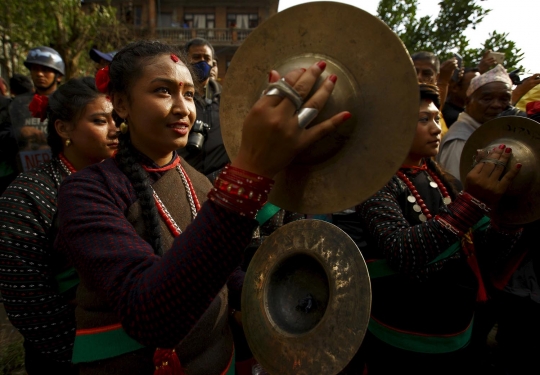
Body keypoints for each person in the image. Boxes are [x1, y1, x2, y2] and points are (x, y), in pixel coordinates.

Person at [54, 41, 348, 374]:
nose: (183, 108)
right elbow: (149, 315)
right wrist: (250, 173)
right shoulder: (86, 191)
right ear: (121, 104)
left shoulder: (200, 181)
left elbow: (221, 277)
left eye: (190, 94)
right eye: (163, 91)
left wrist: (283, 296)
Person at [351, 83, 523, 375]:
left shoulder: (446, 181)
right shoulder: (375, 185)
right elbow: (403, 252)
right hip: (403, 341)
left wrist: (507, 218)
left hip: (459, 333)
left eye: (436, 117)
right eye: (423, 119)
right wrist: (473, 202)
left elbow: (485, 254)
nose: (436, 128)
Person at [0, 77, 118, 374]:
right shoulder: (28, 194)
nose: (116, 129)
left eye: (118, 118)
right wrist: (84, 354)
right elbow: (29, 300)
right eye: (100, 120)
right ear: (63, 128)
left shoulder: (127, 181)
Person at [437, 64, 513, 180]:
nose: (496, 105)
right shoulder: (460, 140)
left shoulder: (487, 131)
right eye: (487, 99)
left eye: (504, 99)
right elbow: (455, 187)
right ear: (468, 102)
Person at [178, 38, 228, 178]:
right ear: (185, 61)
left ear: (213, 63)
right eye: (196, 57)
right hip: (184, 178)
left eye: (206, 58)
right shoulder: (176, 98)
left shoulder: (226, 100)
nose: (202, 62)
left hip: (219, 179)